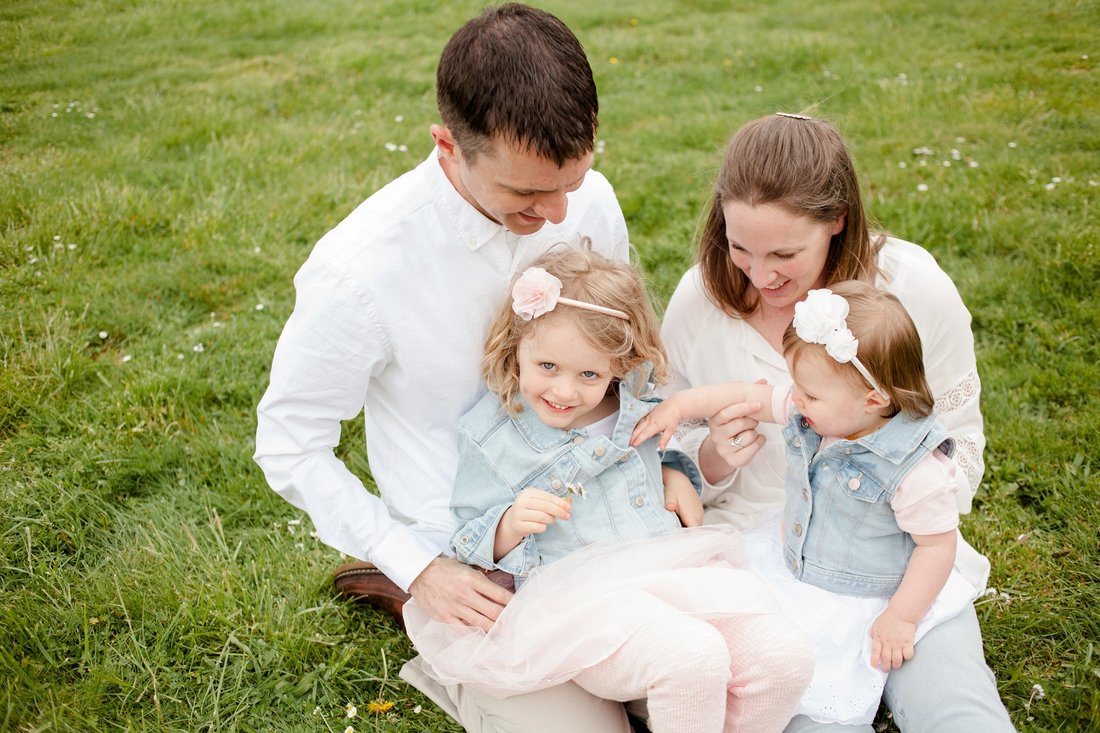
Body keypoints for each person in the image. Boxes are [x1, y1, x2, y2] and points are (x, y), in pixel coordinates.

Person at [254, 5, 641, 731]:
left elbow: (617, 360)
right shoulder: (362, 269)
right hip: (468, 564)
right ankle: (416, 614)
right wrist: (416, 566)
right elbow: (289, 441)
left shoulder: (588, 198)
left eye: (573, 179)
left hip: (604, 524)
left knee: (725, 690)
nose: (561, 212)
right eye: (528, 194)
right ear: (447, 146)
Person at [659, 113, 1014, 732]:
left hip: (901, 558)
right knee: (808, 718)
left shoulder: (911, 289)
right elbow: (671, 467)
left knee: (957, 711)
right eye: (740, 247)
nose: (761, 275)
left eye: (785, 254)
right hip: (762, 562)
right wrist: (713, 458)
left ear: (838, 221)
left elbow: (961, 437)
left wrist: (903, 512)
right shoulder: (699, 303)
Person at [404, 248, 813, 733]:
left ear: (618, 368)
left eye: (589, 375)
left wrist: (677, 470)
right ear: (517, 348)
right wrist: (508, 524)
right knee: (690, 658)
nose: (564, 391)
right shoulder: (496, 436)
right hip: (580, 605)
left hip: (671, 575)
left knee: (784, 659)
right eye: (548, 366)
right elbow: (467, 536)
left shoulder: (638, 407)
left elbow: (655, 465)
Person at [635, 281, 985, 725]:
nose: (796, 400)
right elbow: (751, 396)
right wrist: (681, 406)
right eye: (797, 387)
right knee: (798, 694)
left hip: (877, 590)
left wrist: (900, 617)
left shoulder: (915, 470)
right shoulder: (824, 409)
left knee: (852, 689)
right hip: (803, 579)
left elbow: (936, 546)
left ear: (874, 399)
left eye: (810, 394)